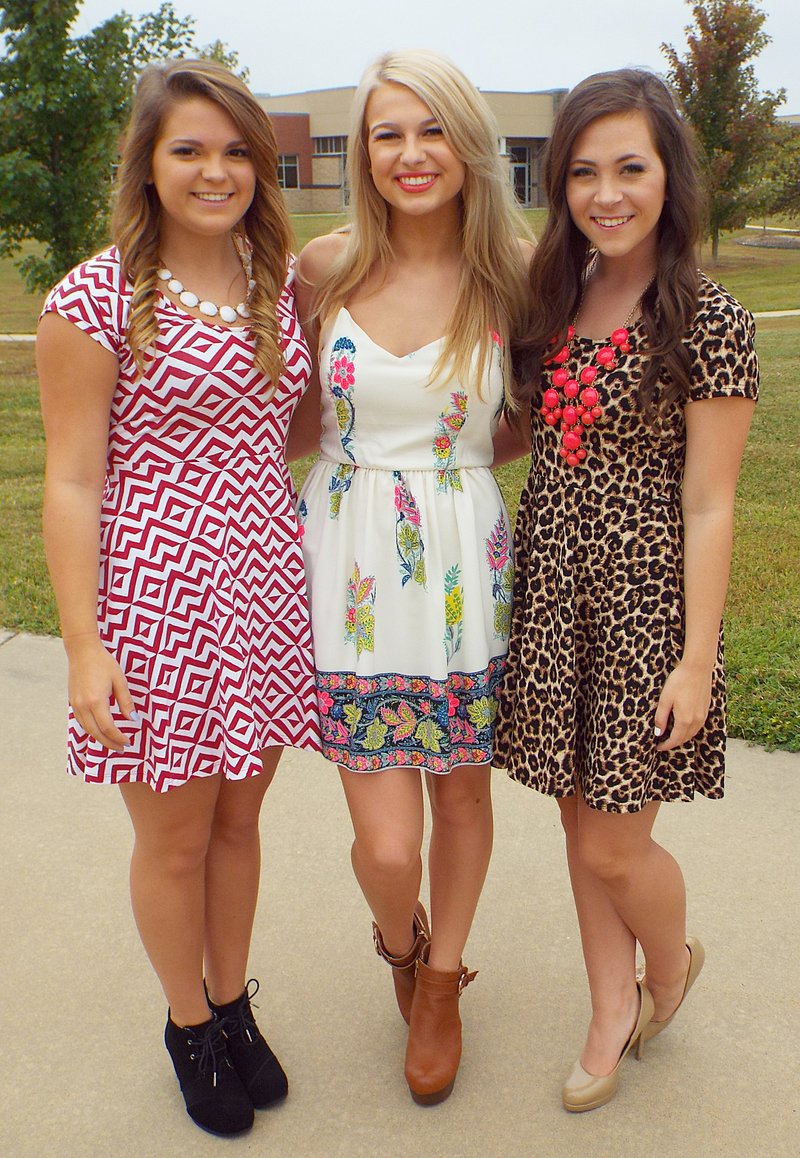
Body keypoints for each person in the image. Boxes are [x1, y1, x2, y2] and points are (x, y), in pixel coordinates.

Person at [37, 59, 320, 1137]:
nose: (216, 170)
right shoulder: (93, 296)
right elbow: (70, 479)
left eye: (237, 149)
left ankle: (234, 1002)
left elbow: (285, 419)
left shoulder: (270, 275)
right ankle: (187, 1023)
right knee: (175, 842)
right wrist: (81, 646)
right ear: (148, 166)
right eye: (188, 150)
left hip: (263, 585)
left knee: (240, 824)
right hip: (154, 601)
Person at [493, 68, 758, 1113]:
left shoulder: (707, 319)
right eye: (583, 172)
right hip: (554, 596)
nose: (606, 192)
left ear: (668, 176)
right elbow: (529, 433)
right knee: (573, 822)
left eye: (629, 168)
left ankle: (669, 961)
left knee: (614, 838)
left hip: (647, 610)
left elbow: (709, 504)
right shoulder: (552, 295)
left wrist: (695, 662)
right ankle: (609, 1009)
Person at [287, 49, 532, 1105]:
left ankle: (441, 983)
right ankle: (402, 940)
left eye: (430, 129)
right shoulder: (323, 268)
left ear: (466, 140)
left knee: (461, 793)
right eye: (387, 132)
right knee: (385, 846)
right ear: (362, 151)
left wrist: (449, 475)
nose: (410, 153)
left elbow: (526, 423)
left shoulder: (515, 274)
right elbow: (292, 422)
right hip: (344, 561)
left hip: (458, 571)